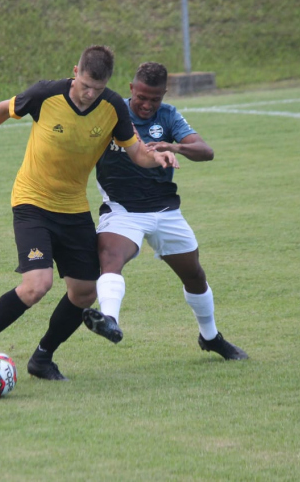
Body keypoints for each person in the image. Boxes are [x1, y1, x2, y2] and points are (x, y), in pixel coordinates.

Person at [0, 47, 178, 381]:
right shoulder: (46, 94)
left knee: (84, 291)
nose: (89, 93)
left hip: (73, 207)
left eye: (97, 88)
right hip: (32, 202)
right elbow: (3, 110)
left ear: (107, 84)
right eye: (85, 84)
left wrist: (159, 156)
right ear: (75, 71)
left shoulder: (112, 108)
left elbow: (136, 152)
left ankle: (42, 358)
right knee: (37, 285)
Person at [81, 61, 248, 360]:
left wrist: (175, 147)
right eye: (141, 97)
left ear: (164, 95)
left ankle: (210, 337)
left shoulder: (168, 115)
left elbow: (206, 151)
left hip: (166, 211)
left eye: (154, 99)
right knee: (110, 258)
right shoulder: (111, 111)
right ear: (131, 89)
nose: (147, 104)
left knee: (194, 275)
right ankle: (110, 320)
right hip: (123, 211)